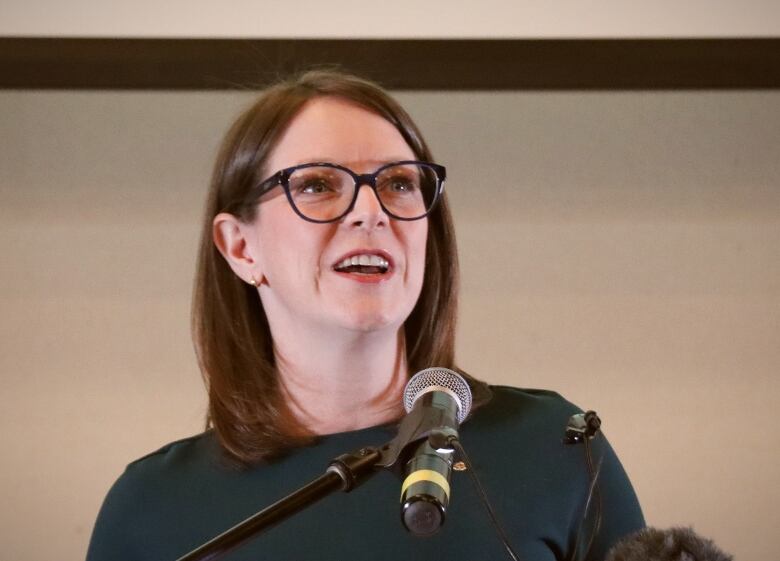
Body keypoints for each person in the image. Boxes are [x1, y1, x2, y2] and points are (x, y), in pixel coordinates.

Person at [86, 70, 644, 561]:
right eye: (317, 185)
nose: (370, 211)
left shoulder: (555, 447)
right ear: (240, 248)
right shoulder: (150, 510)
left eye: (399, 183)